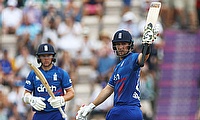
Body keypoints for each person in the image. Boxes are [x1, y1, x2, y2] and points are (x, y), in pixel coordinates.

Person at [76, 29, 158, 120]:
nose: (120, 47)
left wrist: (147, 45)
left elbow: (143, 57)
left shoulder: (132, 58)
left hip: (127, 109)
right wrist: (90, 106)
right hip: (128, 111)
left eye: (123, 44)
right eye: (118, 44)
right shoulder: (118, 67)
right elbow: (108, 89)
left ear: (130, 45)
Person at [22, 43, 75, 120]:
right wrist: (31, 99)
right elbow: (26, 93)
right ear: (39, 57)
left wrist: (62, 99)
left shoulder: (61, 73)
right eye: (43, 56)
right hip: (40, 114)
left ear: (53, 56)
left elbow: (71, 92)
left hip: (57, 114)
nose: (46, 58)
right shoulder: (33, 73)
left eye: (48, 55)